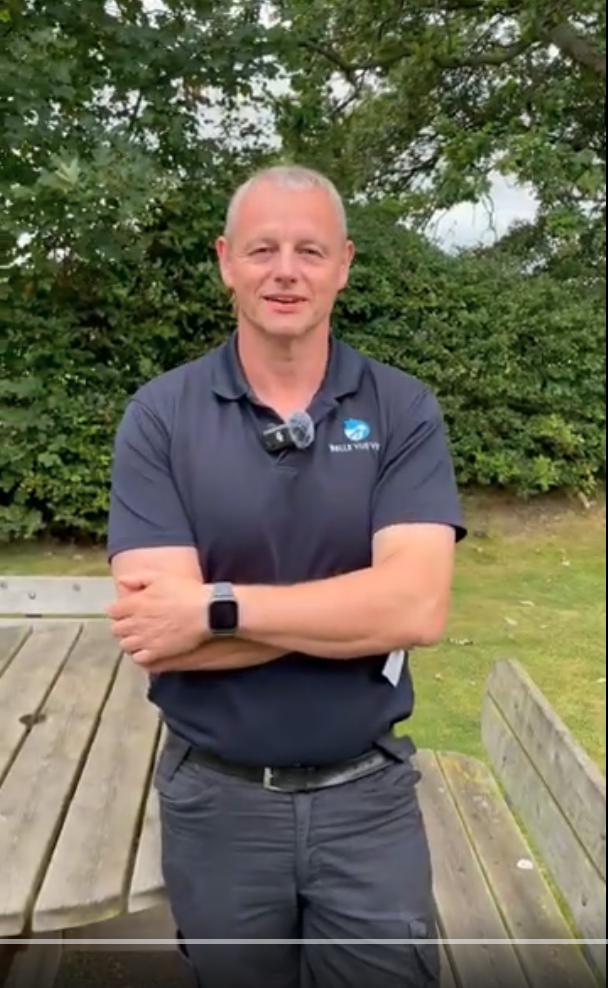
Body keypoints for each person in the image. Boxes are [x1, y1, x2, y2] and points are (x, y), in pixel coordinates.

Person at [106, 164, 467, 988]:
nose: (286, 271)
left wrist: (216, 608)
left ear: (343, 265)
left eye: (310, 250)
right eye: (262, 249)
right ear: (225, 261)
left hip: (368, 800)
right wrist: (349, 611)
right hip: (217, 802)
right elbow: (160, 636)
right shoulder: (161, 417)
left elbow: (415, 607)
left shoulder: (402, 410)